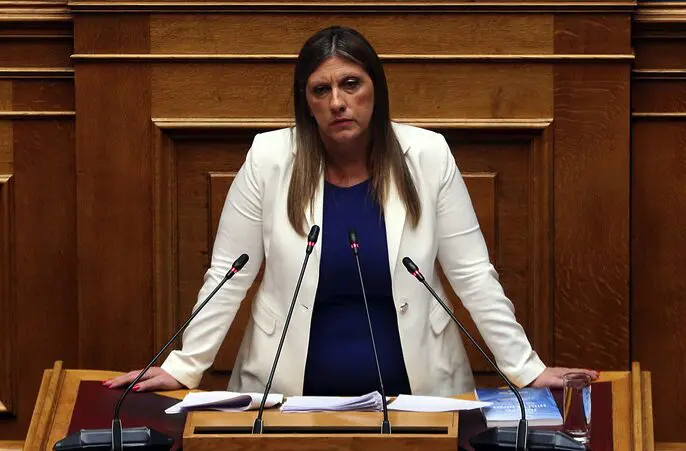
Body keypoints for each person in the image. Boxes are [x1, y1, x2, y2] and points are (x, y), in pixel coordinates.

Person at [105, 26, 598, 396]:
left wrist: (525, 368)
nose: (338, 102)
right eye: (321, 90)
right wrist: (186, 365)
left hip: (419, 394)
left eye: (350, 84)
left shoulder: (428, 155)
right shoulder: (269, 158)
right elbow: (228, 275)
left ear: (375, 89)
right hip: (287, 395)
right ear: (307, 103)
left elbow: (472, 274)